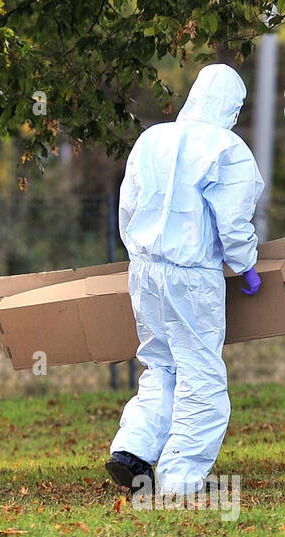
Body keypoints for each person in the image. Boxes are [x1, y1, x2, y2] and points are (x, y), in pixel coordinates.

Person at [107, 63, 265, 499]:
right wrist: (246, 264)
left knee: (160, 364)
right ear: (232, 106)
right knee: (201, 373)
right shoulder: (227, 149)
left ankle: (132, 449)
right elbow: (233, 223)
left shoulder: (151, 139)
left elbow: (128, 206)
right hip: (191, 275)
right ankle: (181, 479)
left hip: (144, 269)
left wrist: (140, 252)